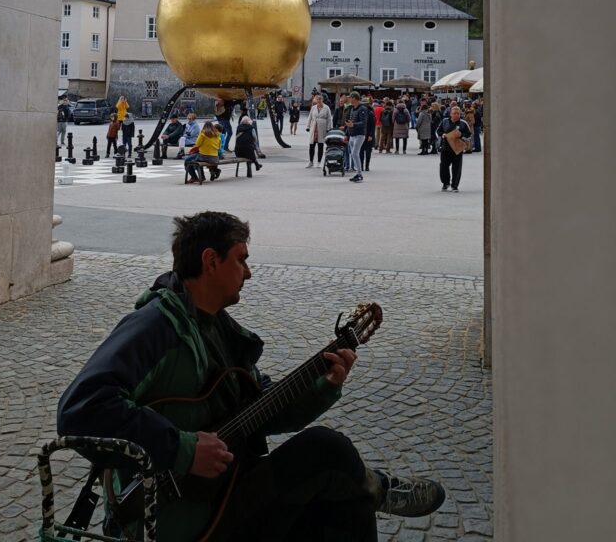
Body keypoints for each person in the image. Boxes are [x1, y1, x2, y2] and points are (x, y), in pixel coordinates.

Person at [57, 211, 445, 542]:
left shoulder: (221, 330)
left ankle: (370, 493)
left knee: (347, 505)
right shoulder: (156, 326)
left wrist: (323, 386)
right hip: (169, 516)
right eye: (241, 259)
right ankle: (381, 489)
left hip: (225, 494)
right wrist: (183, 449)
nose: (250, 272)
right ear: (211, 261)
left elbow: (264, 409)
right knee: (327, 449)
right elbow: (81, 408)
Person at [437, 104, 472, 191]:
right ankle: (446, 183)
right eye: (454, 113)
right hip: (445, 147)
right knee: (443, 167)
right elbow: (438, 131)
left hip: (457, 149)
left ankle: (454, 185)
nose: (456, 115)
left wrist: (461, 135)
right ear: (450, 114)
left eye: (458, 113)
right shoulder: (445, 121)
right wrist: (443, 134)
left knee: (456, 168)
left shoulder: (463, 123)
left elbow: (469, 135)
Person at [345, 91, 367, 183]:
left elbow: (363, 122)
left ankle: (359, 174)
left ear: (354, 98)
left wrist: (353, 125)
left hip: (359, 134)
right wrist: (347, 134)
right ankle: (358, 173)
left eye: (350, 97)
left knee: (354, 153)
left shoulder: (362, 108)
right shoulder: (352, 108)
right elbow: (350, 122)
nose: (349, 99)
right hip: (352, 134)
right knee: (353, 153)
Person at [306, 93, 332, 168]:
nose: (319, 101)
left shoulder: (326, 108)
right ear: (316, 100)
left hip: (322, 127)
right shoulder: (313, 108)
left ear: (322, 100)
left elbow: (329, 119)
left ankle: (319, 161)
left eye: (320, 99)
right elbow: (310, 117)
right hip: (314, 127)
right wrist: (308, 126)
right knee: (312, 145)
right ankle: (311, 161)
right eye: (318, 99)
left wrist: (328, 128)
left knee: (320, 145)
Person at [360, 95, 376, 172]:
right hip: (362, 133)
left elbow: (373, 125)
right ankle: (362, 166)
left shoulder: (370, 113)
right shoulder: (362, 112)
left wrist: (371, 135)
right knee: (362, 151)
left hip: (368, 134)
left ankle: (366, 166)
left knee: (368, 151)